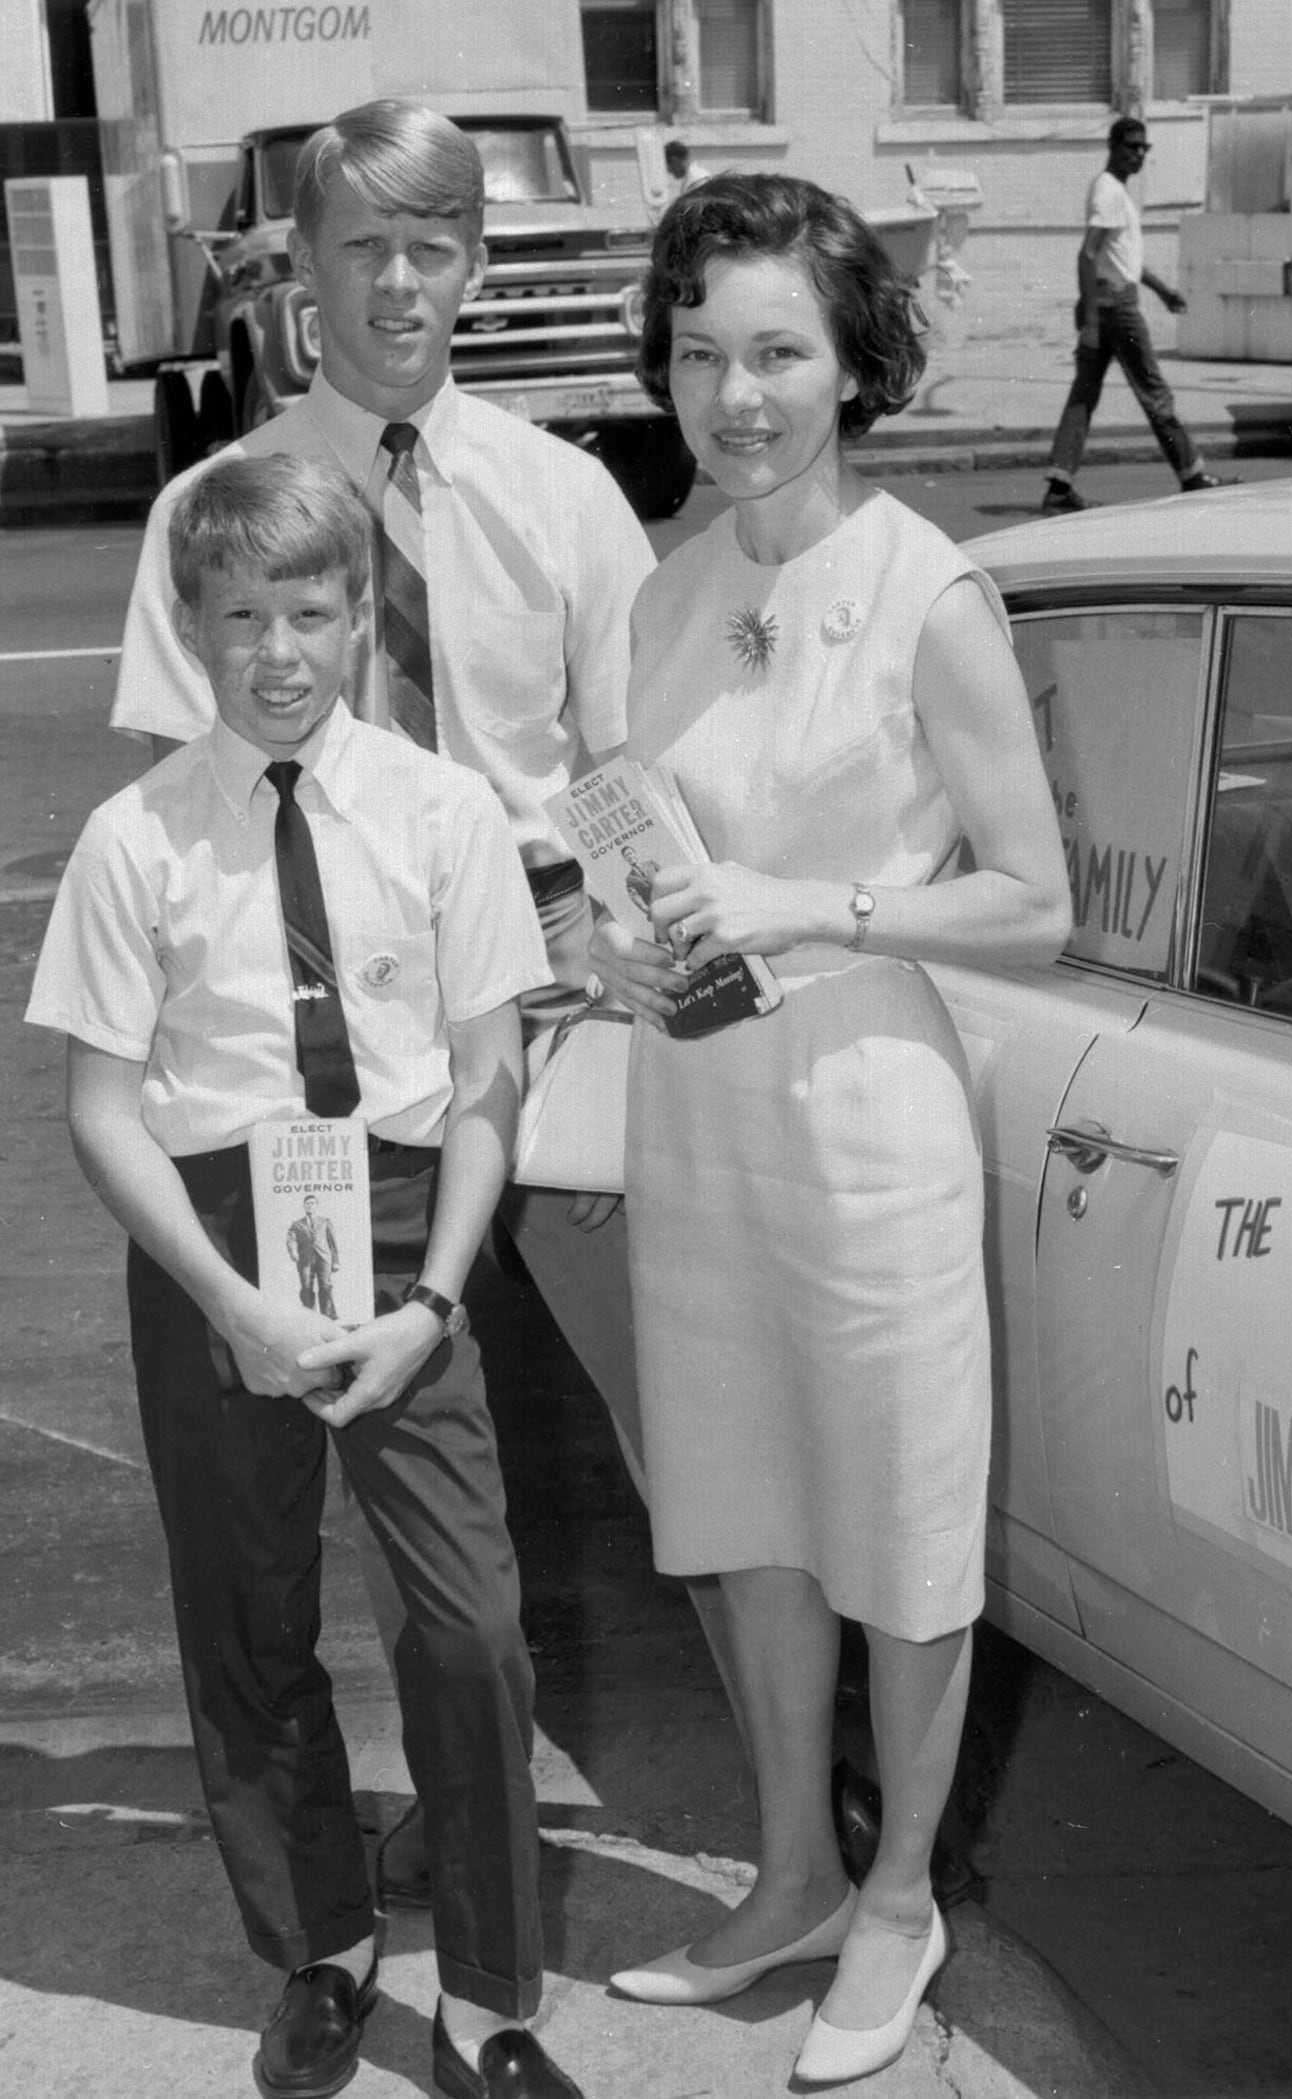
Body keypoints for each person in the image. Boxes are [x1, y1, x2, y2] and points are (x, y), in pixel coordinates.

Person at [104, 96, 748, 1909]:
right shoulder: (212, 514)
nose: (399, 280)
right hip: (352, 1066)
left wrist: (660, 962)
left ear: (475, 264)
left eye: (432, 243)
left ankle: (787, 1790)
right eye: (361, 246)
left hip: (565, 1004)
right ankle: (451, 1816)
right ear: (296, 276)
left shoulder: (559, 497)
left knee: (674, 1421)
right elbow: (191, 814)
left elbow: (629, 774)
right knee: (385, 1452)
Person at [595, 173, 1073, 2086]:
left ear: (850, 360)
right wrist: (620, 956)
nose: (739, 393)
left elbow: (1032, 900)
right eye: (702, 351)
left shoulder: (929, 590)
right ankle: (789, 1866)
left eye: (778, 348)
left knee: (894, 1516)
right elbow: (641, 855)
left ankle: (896, 1899)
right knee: (753, 1504)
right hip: (700, 1101)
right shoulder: (662, 592)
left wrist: (825, 909)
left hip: (870, 1102)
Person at [27, 454, 582, 2099]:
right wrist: (231, 1298)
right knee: (248, 1617)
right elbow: (100, 1107)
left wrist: (433, 1299)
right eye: (244, 613)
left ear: (361, 617)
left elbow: (490, 1078)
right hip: (217, 1243)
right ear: (194, 626)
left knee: (470, 1624)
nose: (280, 646)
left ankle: (489, 1990)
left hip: (407, 1227)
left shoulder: (442, 810)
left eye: (313, 609)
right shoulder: (137, 839)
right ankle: (320, 1946)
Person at [1041, 115, 1223, 514]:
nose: (1139, 154)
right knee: (1154, 392)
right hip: (1116, 313)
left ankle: (1059, 485)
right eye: (1132, 146)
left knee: (1083, 396)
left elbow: (1121, 261)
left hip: (1110, 305)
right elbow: (1087, 255)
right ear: (1113, 147)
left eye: (1144, 148)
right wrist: (1090, 321)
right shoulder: (1108, 192)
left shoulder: (1115, 193)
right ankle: (1192, 474)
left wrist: (1162, 291)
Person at [287, 1192, 340, 1316]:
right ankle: (310, 1317)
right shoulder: (297, 1224)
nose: (309, 1206)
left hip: (324, 1259)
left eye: (312, 1203)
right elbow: (291, 1239)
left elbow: (333, 1242)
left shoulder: (325, 1221)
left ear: (316, 1205)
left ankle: (328, 1317)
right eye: (307, 1204)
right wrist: (293, 1252)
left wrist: (336, 1261)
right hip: (305, 1260)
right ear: (304, 1206)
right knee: (306, 1288)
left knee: (326, 1287)